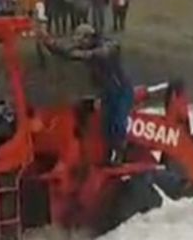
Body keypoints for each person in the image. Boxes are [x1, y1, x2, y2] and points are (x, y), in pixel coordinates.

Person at [40, 24, 132, 165]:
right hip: (106, 90)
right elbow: (67, 51)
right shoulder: (87, 49)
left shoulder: (109, 45)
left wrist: (80, 54)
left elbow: (100, 53)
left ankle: (120, 153)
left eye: (81, 41)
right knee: (105, 124)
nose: (80, 45)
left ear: (89, 37)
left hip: (121, 90)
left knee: (118, 122)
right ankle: (103, 153)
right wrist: (50, 43)